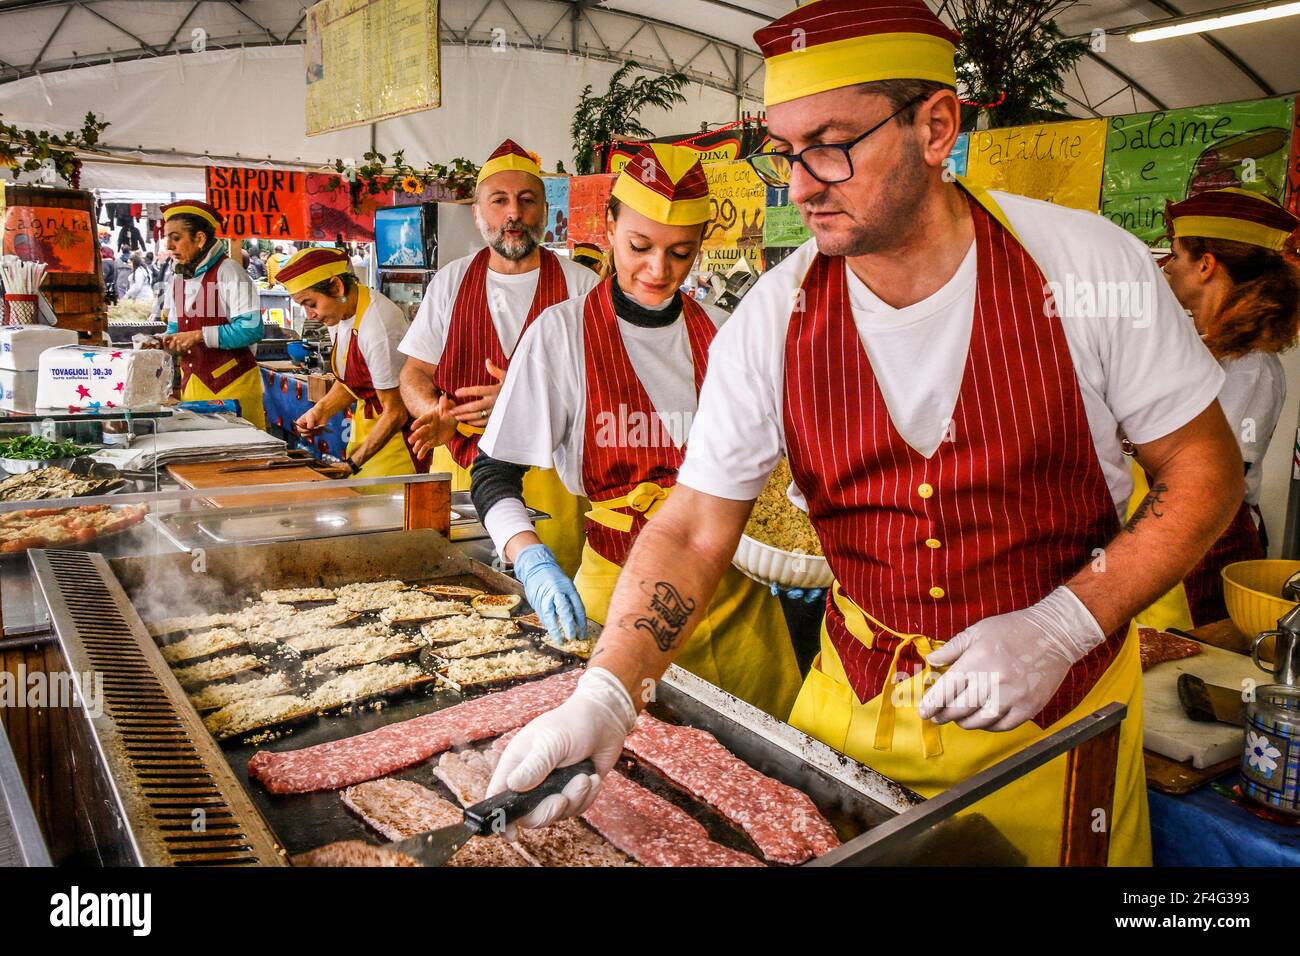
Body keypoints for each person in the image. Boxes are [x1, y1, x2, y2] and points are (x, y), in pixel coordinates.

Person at [486, 0, 1245, 866]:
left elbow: (1204, 474)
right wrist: (609, 694)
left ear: (936, 125)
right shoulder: (771, 322)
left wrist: (1064, 624)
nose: (803, 183)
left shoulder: (1085, 270)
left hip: (1052, 727)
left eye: (833, 144)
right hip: (849, 714)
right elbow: (695, 526)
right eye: (786, 151)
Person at [471, 144, 803, 715]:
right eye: (639, 247)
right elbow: (494, 473)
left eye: (681, 252)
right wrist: (528, 556)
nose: (658, 270)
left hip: (738, 605)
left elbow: (779, 467)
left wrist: (791, 548)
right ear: (608, 227)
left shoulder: (726, 335)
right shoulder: (560, 336)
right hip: (620, 596)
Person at [399, 139, 599, 577]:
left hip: (550, 470)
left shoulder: (583, 287)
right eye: (500, 200)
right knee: (458, 585)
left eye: (527, 201)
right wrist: (434, 411)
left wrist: (521, 401)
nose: (514, 213)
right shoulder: (451, 281)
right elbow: (414, 372)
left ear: (545, 212)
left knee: (554, 587)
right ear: (477, 212)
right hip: (460, 462)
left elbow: (606, 385)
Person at [1152, 189, 1300, 626]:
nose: (1166, 266)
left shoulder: (1250, 368)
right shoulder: (1204, 352)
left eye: (1174, 254)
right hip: (1172, 535)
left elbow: (1208, 473)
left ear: (1206, 265)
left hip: (1207, 545)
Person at [277, 247, 424, 478]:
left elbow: (397, 412)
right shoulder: (341, 314)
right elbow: (352, 381)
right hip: (368, 434)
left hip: (397, 445)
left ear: (337, 287)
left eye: (311, 304)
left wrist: (352, 464)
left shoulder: (378, 327)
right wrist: (321, 409)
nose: (309, 315)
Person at [160, 199, 266, 428]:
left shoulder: (229, 272)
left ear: (200, 239)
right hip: (193, 388)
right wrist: (165, 341)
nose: (169, 246)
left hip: (234, 387)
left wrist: (199, 335)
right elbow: (175, 329)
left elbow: (252, 328)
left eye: (175, 238)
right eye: (167, 238)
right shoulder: (177, 280)